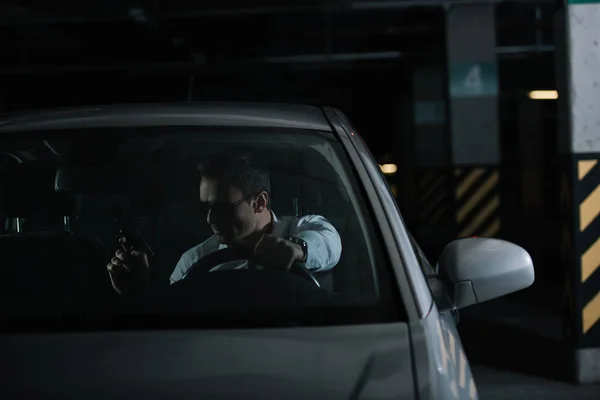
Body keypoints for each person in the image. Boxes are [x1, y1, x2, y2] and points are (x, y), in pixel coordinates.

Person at [106, 153, 342, 295]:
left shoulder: (301, 229)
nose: (210, 219)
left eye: (222, 208)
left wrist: (298, 249)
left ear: (259, 202)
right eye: (205, 207)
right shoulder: (193, 262)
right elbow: (170, 322)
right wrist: (138, 294)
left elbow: (328, 241)